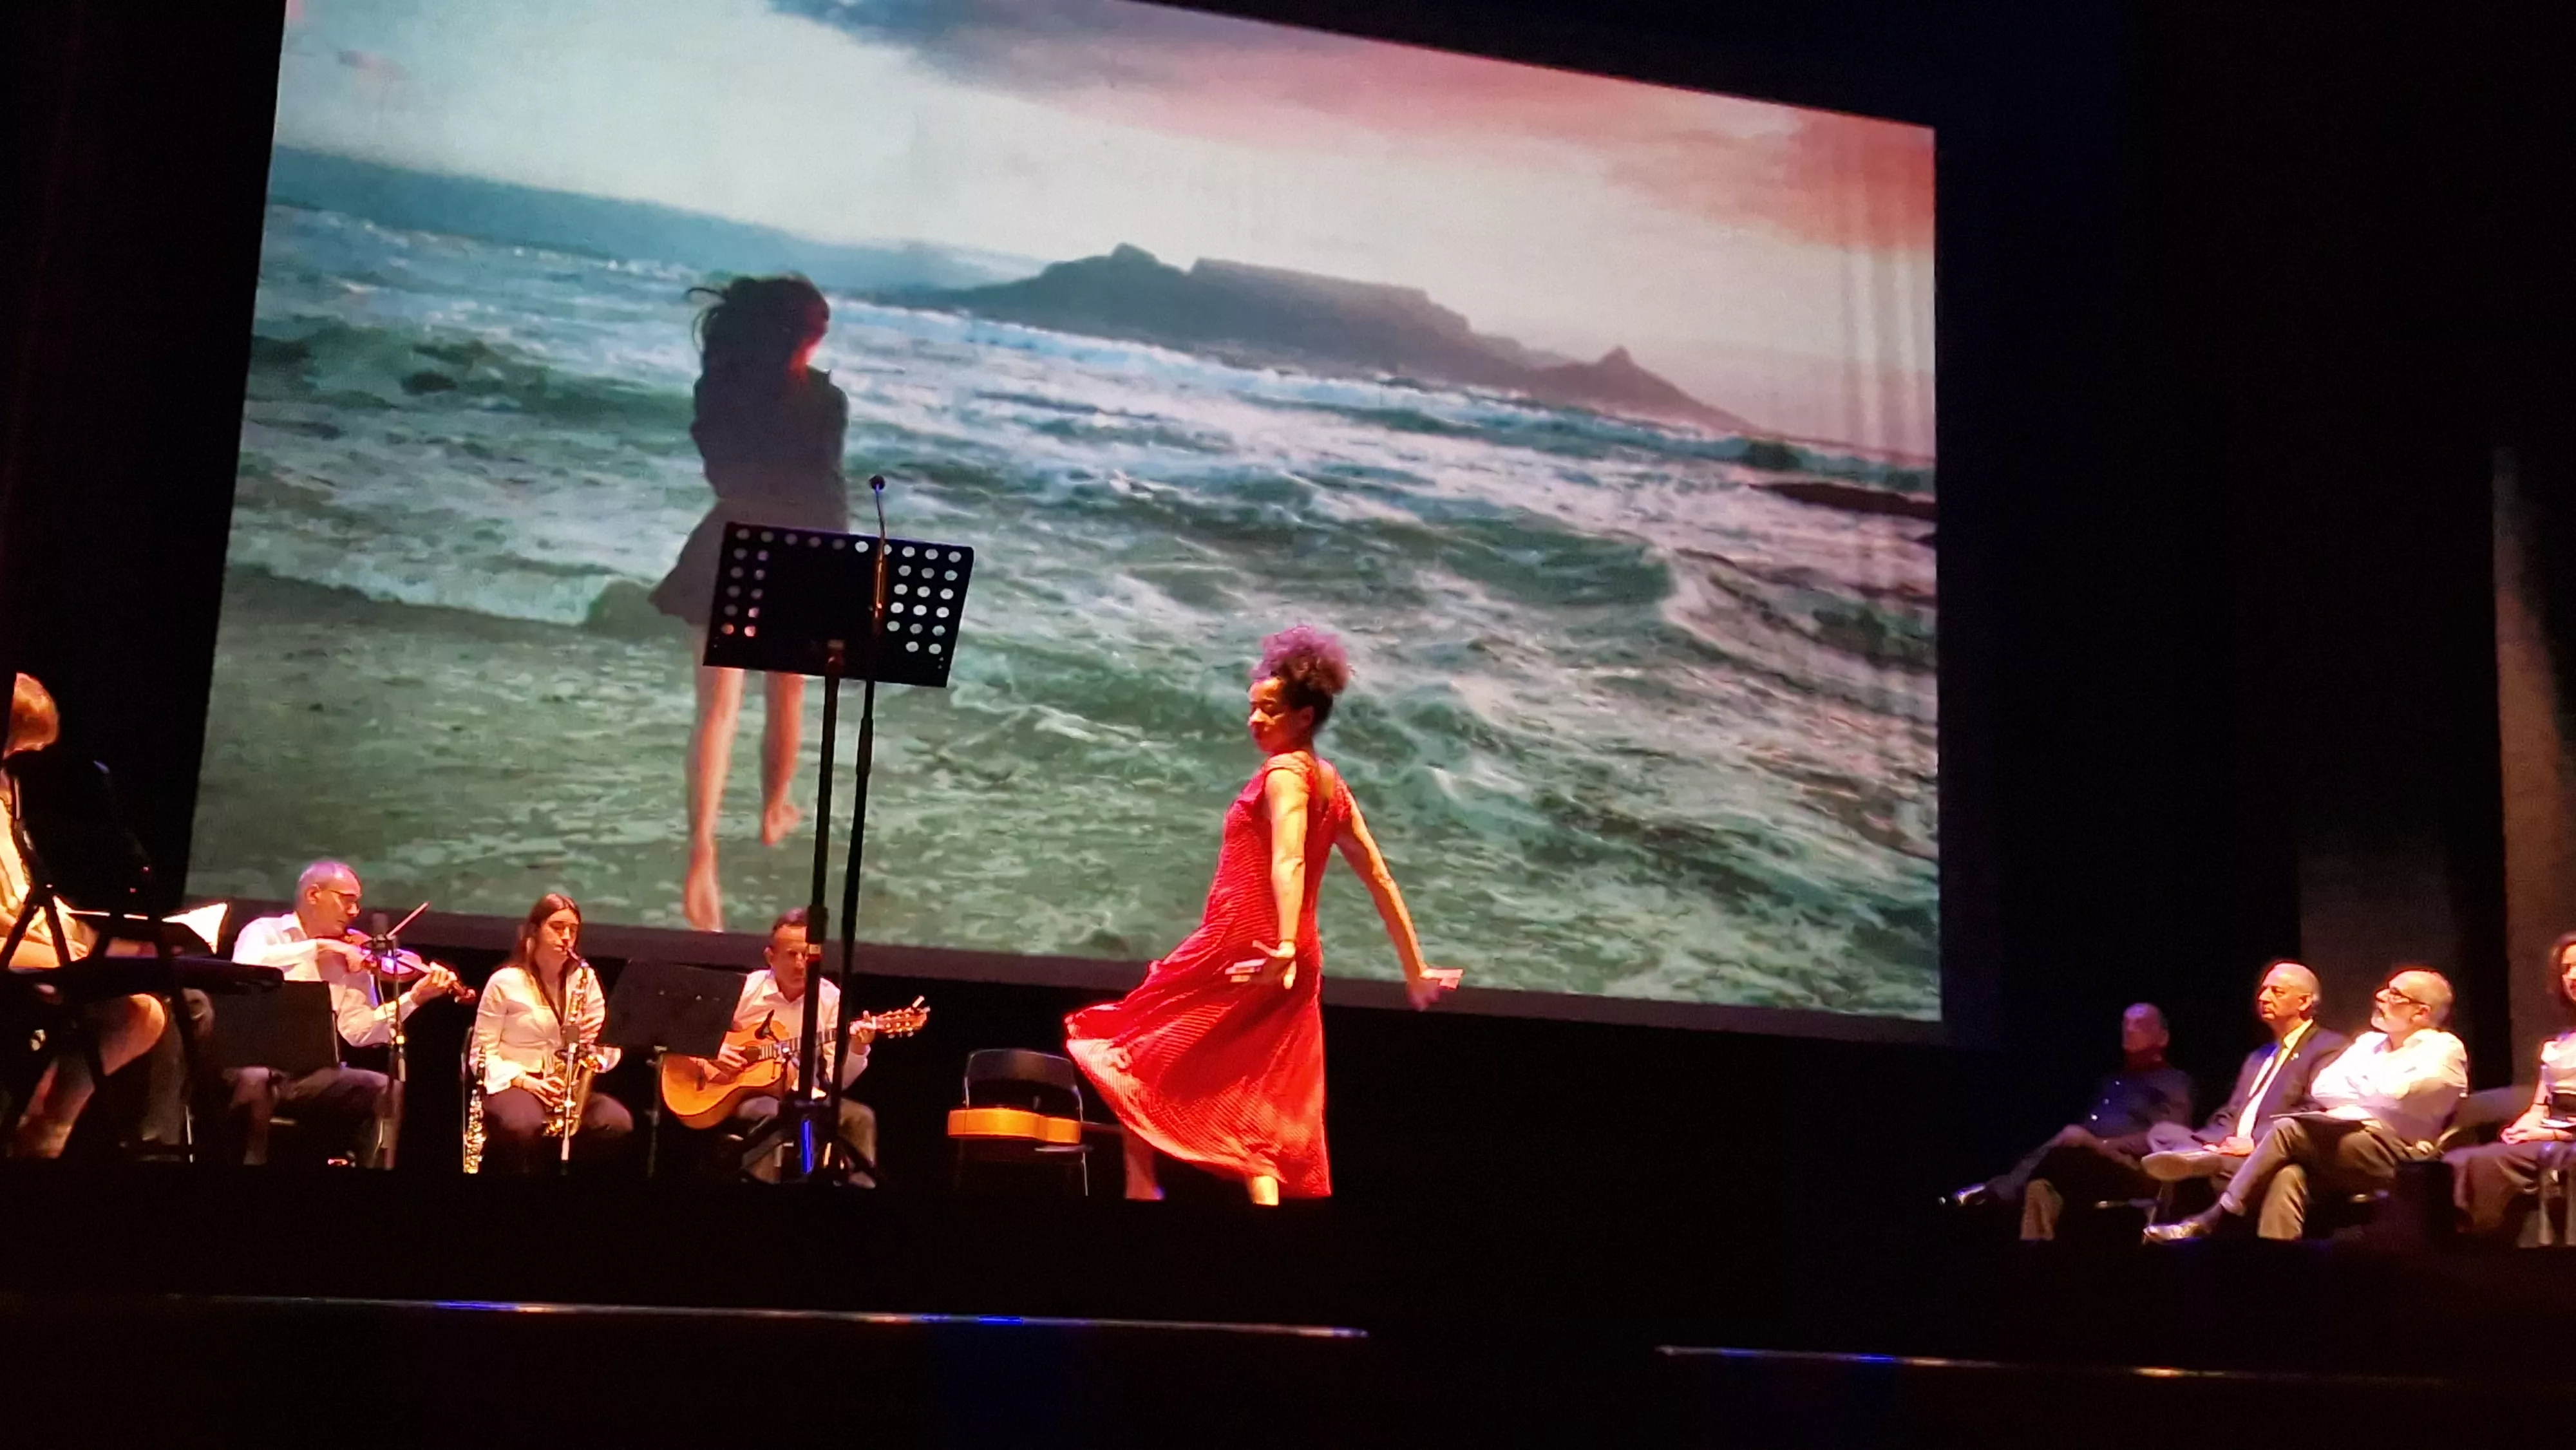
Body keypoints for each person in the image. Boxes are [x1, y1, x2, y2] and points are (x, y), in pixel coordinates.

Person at [1064, 625, 1460, 1206]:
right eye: (1253, 708)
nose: (1256, 721)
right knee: (1259, 1100)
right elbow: (1379, 877)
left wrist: (1277, 944)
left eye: (1269, 711)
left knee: (1130, 1040)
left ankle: (1141, 1189)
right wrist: (1415, 966)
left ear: (1304, 717)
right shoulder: (1332, 785)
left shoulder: (1284, 776)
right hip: (1293, 953)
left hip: (1244, 945)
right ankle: (1265, 1240)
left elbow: (1290, 858)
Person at [647, 276, 848, 932]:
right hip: (798, 545)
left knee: (716, 710)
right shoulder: (822, 398)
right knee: (787, 689)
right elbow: (824, 487)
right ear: (804, 337)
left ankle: (701, 851)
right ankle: (773, 808)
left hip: (731, 536)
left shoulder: (719, 387)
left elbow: (725, 472)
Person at [2148, 966, 2467, 1242]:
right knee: (2288, 1173)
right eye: (2385, 989)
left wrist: (2359, 1090)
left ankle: (2211, 1219)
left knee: (2288, 1128)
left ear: (2421, 1012)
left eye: (2395, 994)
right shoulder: (2368, 1043)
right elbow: (2325, 1088)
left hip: (2400, 1155)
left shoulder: (2444, 1050)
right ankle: (2282, 1270)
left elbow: (2397, 1095)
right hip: (2346, 1141)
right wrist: (2370, 1094)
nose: (2381, 997)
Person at [1, 672, 171, 1158]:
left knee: (148, 1010)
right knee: (128, 1002)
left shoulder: (8, 805)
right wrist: (70, 948)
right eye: (18, 752)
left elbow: (31, 893)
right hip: (7, 946)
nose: (16, 768)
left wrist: (91, 938)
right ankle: (44, 1132)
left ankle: (51, 1123)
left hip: (28, 939)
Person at [229, 860, 469, 1165]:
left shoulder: (352, 958)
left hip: (310, 1077)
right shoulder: (266, 931)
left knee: (384, 1088)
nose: (355, 912)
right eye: (348, 900)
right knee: (256, 1079)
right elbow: (246, 968)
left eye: (357, 903)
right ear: (314, 894)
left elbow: (358, 1032)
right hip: (252, 1066)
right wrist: (318, 948)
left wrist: (414, 999)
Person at [668, 907, 878, 1182]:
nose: (801, 964)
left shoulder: (830, 1000)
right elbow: (683, 1032)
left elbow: (833, 1083)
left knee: (860, 1117)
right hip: (741, 1095)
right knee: (776, 1114)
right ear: (770, 957)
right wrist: (713, 1051)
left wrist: (857, 1048)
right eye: (792, 955)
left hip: (805, 1096)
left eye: (807, 955)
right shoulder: (746, 990)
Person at [1951, 1003, 2195, 1238]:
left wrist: (2105, 1144)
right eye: (2126, 1023)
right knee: (2041, 1186)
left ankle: (1996, 1192)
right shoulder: (2113, 1081)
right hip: (2089, 1164)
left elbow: (2170, 1137)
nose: (2129, 1029)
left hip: (2134, 1169)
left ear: (2162, 1038)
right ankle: (2035, 1265)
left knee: (2072, 1135)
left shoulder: (2173, 1082)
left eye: (2140, 1024)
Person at [2139, 960, 2348, 1191]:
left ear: (2304, 1002)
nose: (2264, 998)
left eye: (2277, 992)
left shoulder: (2328, 1047)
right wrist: (2214, 1142)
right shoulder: (2259, 1056)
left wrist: (2255, 1141)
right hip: (2229, 1148)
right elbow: (2231, 1112)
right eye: (2263, 990)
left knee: (2189, 1167)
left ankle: (2204, 1163)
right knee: (2163, 1133)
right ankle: (2201, 1159)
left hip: (2269, 1150)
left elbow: (2313, 1112)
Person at [467, 893, 631, 1172]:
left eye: (573, 930)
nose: (567, 937)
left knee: (617, 1122)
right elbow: (479, 1055)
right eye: (557, 927)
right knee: (523, 1124)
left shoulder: (584, 979)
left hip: (567, 1087)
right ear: (535, 930)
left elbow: (610, 1051)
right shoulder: (505, 981)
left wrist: (597, 1042)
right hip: (515, 1083)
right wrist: (528, 1083)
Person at [2446, 933, 2576, 1239]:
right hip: (2550, 1134)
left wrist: (2550, 1133)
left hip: (2567, 1140)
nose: (2572, 976)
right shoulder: (2559, 1044)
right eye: (2566, 968)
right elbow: (2540, 1107)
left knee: (2481, 1164)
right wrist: (2521, 1129)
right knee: (2456, 1162)